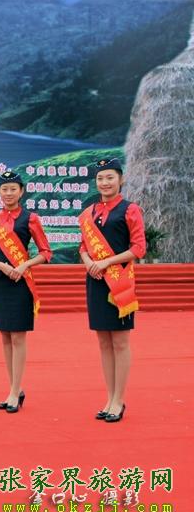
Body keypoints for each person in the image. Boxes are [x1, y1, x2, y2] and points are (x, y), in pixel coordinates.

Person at [0, 171, 52, 413]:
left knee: (18, 337)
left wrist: (24, 265)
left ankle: (15, 391)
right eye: (4, 189)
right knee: (5, 337)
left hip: (20, 282)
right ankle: (14, 389)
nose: (8, 193)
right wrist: (1, 266)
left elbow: (45, 252)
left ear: (21, 191)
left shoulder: (31, 219)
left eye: (13, 189)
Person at [79, 158, 145, 423]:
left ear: (121, 179)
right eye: (100, 178)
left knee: (120, 342)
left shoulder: (130, 210)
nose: (105, 183)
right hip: (95, 280)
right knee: (103, 342)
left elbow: (138, 248)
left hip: (119, 283)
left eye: (110, 177)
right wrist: (88, 262)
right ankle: (109, 398)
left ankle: (119, 400)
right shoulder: (89, 213)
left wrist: (106, 262)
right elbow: (83, 246)